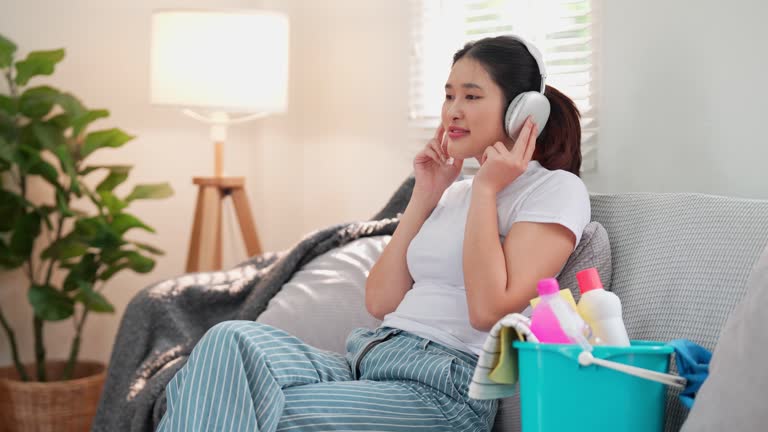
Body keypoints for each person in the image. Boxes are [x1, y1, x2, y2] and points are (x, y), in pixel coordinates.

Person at [157, 34, 590, 432]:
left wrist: (486, 190)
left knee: (261, 412)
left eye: (472, 96)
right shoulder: (453, 194)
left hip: (444, 390)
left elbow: (489, 311)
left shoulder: (554, 191)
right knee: (225, 341)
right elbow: (382, 301)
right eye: (448, 95)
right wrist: (425, 195)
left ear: (523, 112)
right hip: (369, 358)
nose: (453, 110)